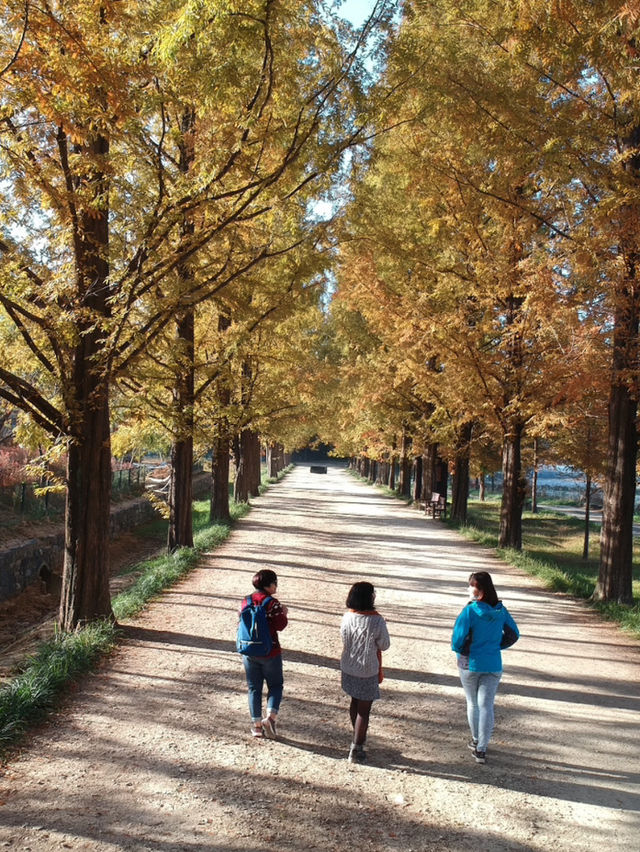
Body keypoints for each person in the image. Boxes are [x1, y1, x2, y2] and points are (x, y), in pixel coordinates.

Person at [451, 570, 519, 764]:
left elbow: (457, 638)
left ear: (478, 590)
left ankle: (475, 739)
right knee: (486, 705)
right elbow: (514, 634)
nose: (469, 589)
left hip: (469, 663)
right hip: (493, 664)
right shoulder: (500, 610)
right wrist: (497, 646)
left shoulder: (470, 610)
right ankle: (482, 749)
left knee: (473, 703)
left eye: (471, 585)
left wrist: (461, 651)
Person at [340, 581, 391, 763]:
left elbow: (344, 637)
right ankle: (357, 747)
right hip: (367, 669)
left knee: (354, 701)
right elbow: (384, 645)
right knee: (364, 710)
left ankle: (357, 736)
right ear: (370, 597)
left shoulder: (347, 617)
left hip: (348, 666)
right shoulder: (376, 620)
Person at [239, 569, 288, 739]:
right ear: (268, 585)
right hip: (270, 651)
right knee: (275, 685)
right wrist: (284, 612)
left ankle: (256, 726)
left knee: (254, 688)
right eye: (275, 583)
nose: (276, 586)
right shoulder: (272, 603)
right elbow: (281, 625)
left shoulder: (246, 600)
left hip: (249, 650)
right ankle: (271, 718)